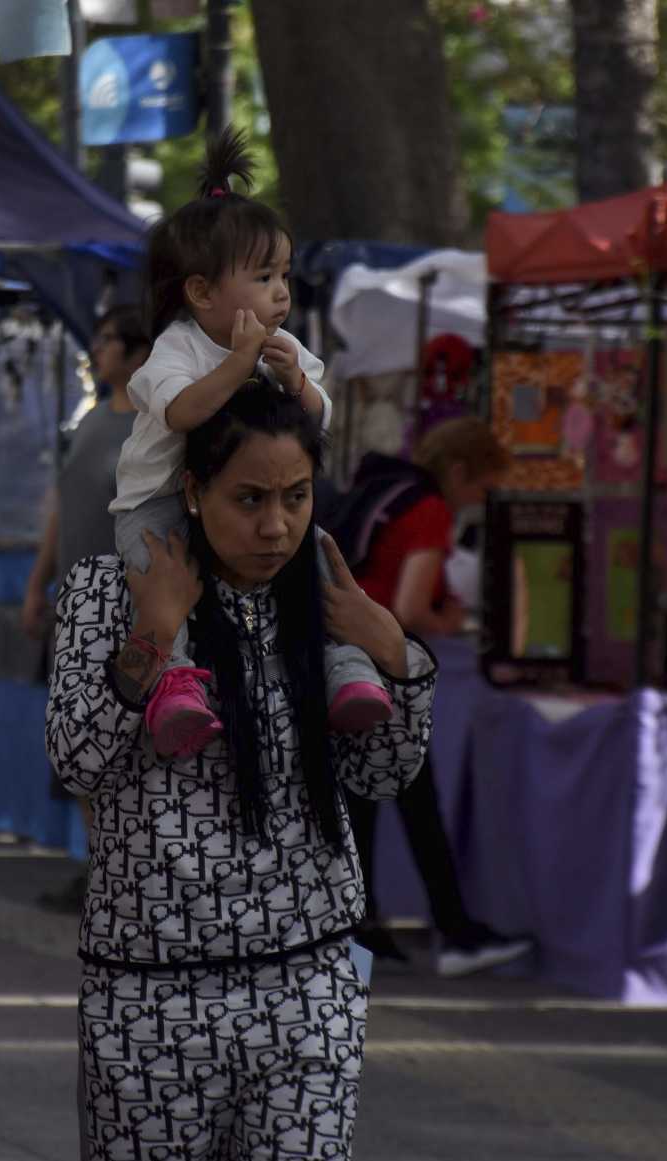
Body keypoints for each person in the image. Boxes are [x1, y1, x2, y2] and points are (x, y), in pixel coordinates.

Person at [47, 380, 438, 1161]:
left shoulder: (324, 599)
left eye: (296, 497)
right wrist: (153, 636)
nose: (275, 525)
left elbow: (382, 771)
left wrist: (395, 656)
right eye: (249, 498)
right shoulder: (108, 589)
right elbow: (77, 760)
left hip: (307, 984)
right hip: (150, 992)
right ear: (192, 489)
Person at [113, 128, 390, 762]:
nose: (282, 293)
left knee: (317, 554)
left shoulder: (281, 347)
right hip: (156, 505)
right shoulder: (178, 348)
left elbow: (318, 421)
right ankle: (175, 683)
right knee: (158, 574)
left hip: (235, 510)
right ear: (202, 292)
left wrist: (298, 383)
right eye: (264, 276)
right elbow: (184, 412)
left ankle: (347, 667)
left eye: (285, 274)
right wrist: (239, 363)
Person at [338, 416, 536, 977]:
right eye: (483, 485)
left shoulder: (383, 490)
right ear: (458, 471)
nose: (483, 499)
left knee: (366, 802)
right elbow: (408, 607)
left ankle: (362, 925)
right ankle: (454, 932)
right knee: (415, 802)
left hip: (345, 660)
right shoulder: (428, 511)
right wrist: (452, 619)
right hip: (385, 660)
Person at [21, 305, 152, 914]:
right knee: (77, 746)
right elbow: (61, 509)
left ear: (135, 350)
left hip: (122, 611)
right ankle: (101, 867)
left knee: (118, 746)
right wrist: (37, 583)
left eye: (106, 339)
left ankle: (120, 873)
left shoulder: (152, 430)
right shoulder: (94, 419)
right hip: (75, 607)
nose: (97, 350)